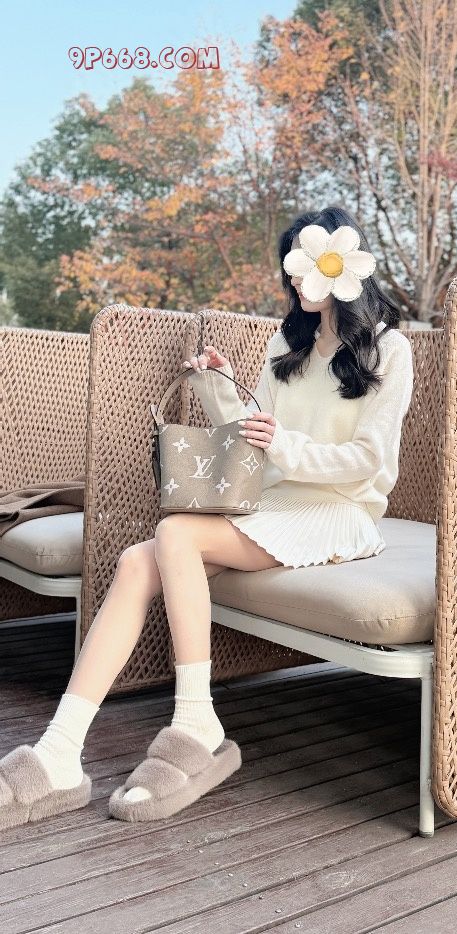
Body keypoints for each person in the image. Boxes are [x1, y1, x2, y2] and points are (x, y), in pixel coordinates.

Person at [0, 204, 415, 829]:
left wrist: (285, 445)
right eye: (290, 267)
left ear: (342, 269)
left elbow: (369, 461)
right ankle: (60, 750)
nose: (294, 278)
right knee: (135, 562)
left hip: (338, 511)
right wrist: (219, 387)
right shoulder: (287, 345)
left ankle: (196, 721)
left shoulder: (390, 349)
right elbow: (251, 437)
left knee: (173, 532)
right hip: (274, 504)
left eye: (304, 265)